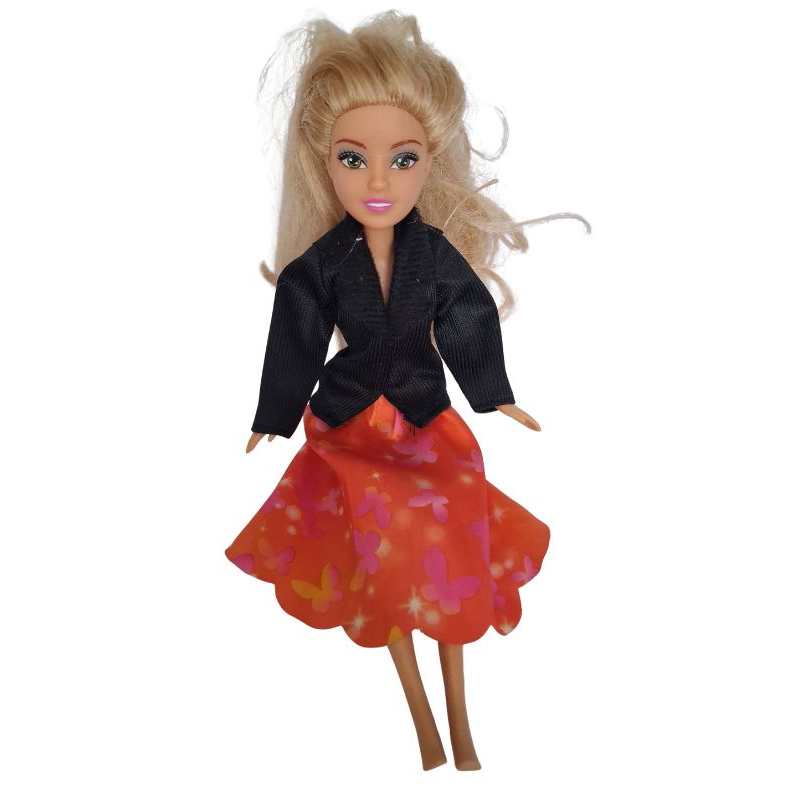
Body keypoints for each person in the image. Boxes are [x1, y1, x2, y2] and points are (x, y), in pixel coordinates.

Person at [225, 10, 590, 771]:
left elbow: (466, 314)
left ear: (429, 160)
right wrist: (274, 415)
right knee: (383, 559)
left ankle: (458, 714)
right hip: (351, 427)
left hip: (426, 419)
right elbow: (295, 333)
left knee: (451, 534)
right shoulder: (322, 266)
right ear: (324, 162)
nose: (378, 182)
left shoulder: (433, 253)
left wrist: (494, 394)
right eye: (353, 159)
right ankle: (423, 717)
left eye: (403, 159)